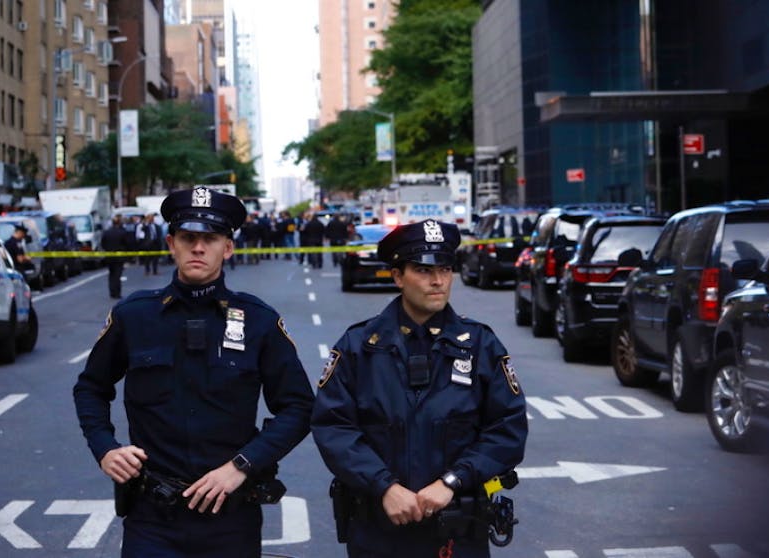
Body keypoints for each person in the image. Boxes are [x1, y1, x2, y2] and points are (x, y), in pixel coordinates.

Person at [73, 187, 315, 557]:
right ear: (172, 244)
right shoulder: (134, 316)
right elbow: (91, 387)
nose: (198, 248)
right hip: (152, 518)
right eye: (188, 238)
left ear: (228, 248)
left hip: (230, 516)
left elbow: (299, 407)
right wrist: (105, 448)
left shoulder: (259, 321)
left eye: (210, 239)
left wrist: (242, 466)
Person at [311, 219, 528, 558]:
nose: (438, 280)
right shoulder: (358, 347)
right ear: (398, 277)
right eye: (424, 270)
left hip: (458, 535)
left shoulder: (481, 345)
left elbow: (508, 430)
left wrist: (452, 481)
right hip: (378, 533)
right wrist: (383, 486)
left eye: (445, 269)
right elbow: (333, 427)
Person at [100, 215, 129, 299]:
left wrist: (107, 250)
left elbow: (103, 243)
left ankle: (112, 292)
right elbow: (126, 244)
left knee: (111, 274)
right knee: (117, 275)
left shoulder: (107, 232)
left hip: (109, 256)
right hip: (119, 257)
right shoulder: (122, 232)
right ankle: (117, 293)